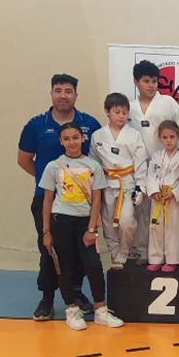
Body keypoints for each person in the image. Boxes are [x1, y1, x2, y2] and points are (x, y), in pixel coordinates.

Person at [17, 73, 99, 320]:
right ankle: (47, 299)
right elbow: (23, 160)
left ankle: (76, 293)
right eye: (58, 90)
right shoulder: (36, 125)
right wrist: (51, 183)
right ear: (51, 93)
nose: (63, 95)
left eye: (68, 91)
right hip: (47, 201)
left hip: (80, 202)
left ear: (76, 95)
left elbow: (97, 160)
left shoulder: (90, 124)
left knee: (79, 250)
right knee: (49, 249)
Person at [39, 123, 124, 331]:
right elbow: (47, 201)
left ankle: (101, 310)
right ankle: (71, 310)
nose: (72, 142)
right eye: (66, 138)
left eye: (75, 137)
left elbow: (97, 200)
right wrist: (46, 231)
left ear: (82, 139)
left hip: (85, 222)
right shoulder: (53, 166)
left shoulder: (93, 166)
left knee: (93, 265)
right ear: (61, 141)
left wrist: (92, 229)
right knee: (65, 266)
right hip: (61, 221)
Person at [128, 60, 179, 265]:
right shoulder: (130, 107)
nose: (151, 85)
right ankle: (144, 252)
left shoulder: (168, 103)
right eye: (146, 81)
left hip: (168, 165)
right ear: (136, 82)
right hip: (139, 165)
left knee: (173, 215)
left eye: (154, 81)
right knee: (143, 211)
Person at [89, 93, 147, 270]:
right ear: (107, 112)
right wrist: (93, 188)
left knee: (126, 222)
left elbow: (140, 161)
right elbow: (94, 163)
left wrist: (140, 186)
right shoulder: (98, 135)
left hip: (127, 184)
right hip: (106, 184)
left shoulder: (134, 135)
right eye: (117, 112)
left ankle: (124, 251)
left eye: (124, 112)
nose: (121, 116)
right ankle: (115, 255)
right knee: (108, 224)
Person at [146, 120, 179, 272]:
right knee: (155, 228)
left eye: (172, 137)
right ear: (160, 138)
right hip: (157, 197)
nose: (169, 140)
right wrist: (154, 190)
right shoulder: (156, 156)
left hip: (173, 198)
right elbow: (150, 175)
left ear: (178, 136)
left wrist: (175, 193)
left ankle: (171, 260)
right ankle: (155, 259)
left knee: (172, 229)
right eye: (165, 137)